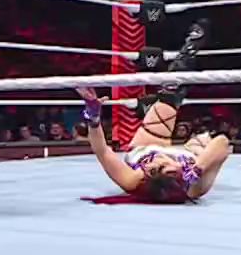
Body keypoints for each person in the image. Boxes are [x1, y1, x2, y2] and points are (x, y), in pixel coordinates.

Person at [74, 23, 230, 202]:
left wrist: (92, 115)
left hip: (149, 143)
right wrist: (198, 169)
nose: (158, 161)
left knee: (170, 91)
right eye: (163, 167)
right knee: (209, 138)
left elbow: (102, 152)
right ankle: (191, 47)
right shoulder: (195, 187)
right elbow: (222, 142)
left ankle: (190, 47)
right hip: (190, 157)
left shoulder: (133, 179)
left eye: (153, 170)